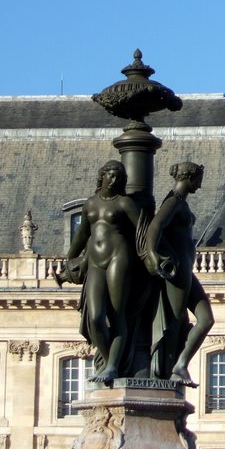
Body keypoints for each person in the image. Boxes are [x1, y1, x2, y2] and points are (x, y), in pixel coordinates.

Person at [63, 160, 142, 384]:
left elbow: (143, 234)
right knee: (95, 317)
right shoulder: (90, 204)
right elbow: (81, 235)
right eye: (110, 175)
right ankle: (110, 361)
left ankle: (113, 366)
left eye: (118, 176)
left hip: (119, 259)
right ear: (102, 176)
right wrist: (69, 261)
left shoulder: (125, 204)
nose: (114, 179)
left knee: (118, 316)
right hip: (95, 263)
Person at [144, 161, 214, 385]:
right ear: (190, 178)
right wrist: (153, 256)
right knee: (174, 322)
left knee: (206, 320)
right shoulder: (173, 202)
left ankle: (180, 365)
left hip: (186, 270)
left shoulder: (180, 203)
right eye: (199, 181)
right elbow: (155, 227)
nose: (200, 186)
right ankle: (167, 370)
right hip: (176, 271)